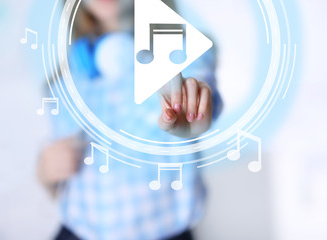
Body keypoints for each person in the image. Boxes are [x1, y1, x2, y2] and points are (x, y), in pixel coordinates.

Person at [38, 0, 222, 239]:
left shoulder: (184, 53)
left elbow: (202, 91)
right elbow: (60, 181)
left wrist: (195, 110)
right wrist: (44, 172)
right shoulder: (67, 75)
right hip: (76, 232)